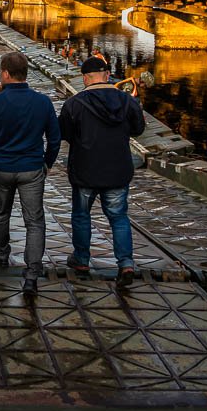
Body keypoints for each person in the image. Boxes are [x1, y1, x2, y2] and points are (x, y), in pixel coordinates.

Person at [0, 51, 61, 296]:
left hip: (2, 167)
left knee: (1, 213)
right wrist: (47, 163)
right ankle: (32, 274)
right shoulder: (43, 102)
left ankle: (1, 255)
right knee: (34, 221)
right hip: (32, 168)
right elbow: (55, 138)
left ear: (6, 74)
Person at [57, 55, 145, 287]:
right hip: (118, 169)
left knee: (82, 216)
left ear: (85, 79)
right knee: (118, 217)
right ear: (107, 75)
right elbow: (138, 130)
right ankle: (126, 263)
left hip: (85, 169)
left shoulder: (74, 104)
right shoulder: (127, 101)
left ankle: (82, 259)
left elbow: (63, 133)